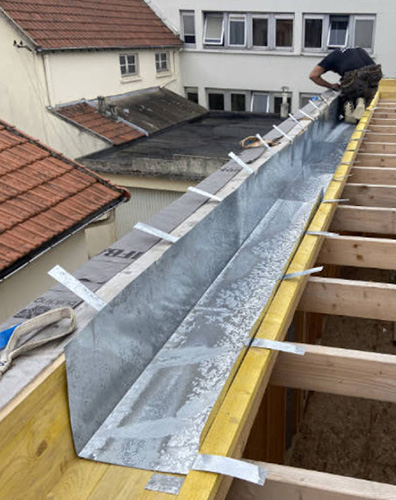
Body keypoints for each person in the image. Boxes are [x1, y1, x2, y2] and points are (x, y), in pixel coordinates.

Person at [309, 47, 382, 123]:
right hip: (373, 74)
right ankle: (362, 100)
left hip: (353, 77)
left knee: (346, 97)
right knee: (369, 97)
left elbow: (313, 76)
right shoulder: (360, 50)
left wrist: (331, 85)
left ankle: (349, 107)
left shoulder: (332, 57)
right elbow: (372, 72)